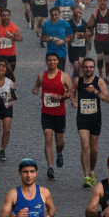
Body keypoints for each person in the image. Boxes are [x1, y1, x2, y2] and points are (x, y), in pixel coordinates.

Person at [33, 42, 72, 181]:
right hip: (46, 113)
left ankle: (59, 152)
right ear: (46, 62)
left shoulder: (64, 76)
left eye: (54, 60)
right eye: (50, 60)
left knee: (59, 142)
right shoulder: (41, 76)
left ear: (58, 61)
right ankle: (50, 167)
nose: (52, 62)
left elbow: (71, 92)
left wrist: (62, 96)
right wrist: (36, 90)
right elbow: (36, 87)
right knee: (48, 136)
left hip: (60, 113)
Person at [73, 56, 109, 187]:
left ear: (94, 68)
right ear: (82, 68)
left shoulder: (99, 81)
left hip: (95, 119)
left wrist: (95, 91)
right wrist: (73, 100)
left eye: (91, 67)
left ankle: (92, 170)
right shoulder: (78, 81)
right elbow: (72, 93)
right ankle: (86, 175)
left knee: (94, 149)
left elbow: (108, 99)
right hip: (82, 118)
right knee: (85, 146)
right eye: (86, 67)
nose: (88, 69)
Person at [0, 58, 16, 162]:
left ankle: (2, 149)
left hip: (7, 107)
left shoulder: (10, 82)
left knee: (6, 129)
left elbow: (13, 97)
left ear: (6, 69)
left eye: (3, 66)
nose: (1, 68)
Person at [87, 0, 109, 80]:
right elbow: (89, 24)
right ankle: (101, 76)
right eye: (100, 1)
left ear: (106, 1)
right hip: (98, 40)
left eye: (104, 0)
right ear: (98, 2)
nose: (102, 2)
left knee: (107, 60)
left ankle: (107, 76)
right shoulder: (95, 13)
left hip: (108, 40)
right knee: (100, 58)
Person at [0, 8, 23, 76]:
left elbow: (20, 38)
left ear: (10, 16)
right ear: (0, 17)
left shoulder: (14, 27)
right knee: (1, 73)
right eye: (3, 15)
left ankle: (9, 85)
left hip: (11, 55)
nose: (6, 17)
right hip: (0, 54)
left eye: (7, 15)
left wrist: (12, 38)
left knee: (10, 73)